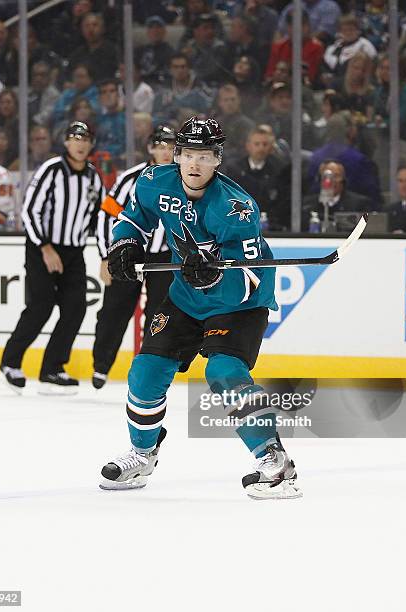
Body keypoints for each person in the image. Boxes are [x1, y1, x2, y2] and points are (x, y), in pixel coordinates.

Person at [99, 117, 302, 501]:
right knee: (145, 372)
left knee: (224, 371)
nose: (194, 164)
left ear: (218, 159)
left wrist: (211, 273)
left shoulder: (236, 208)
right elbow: (132, 220)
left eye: (204, 156)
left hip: (240, 303)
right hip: (185, 298)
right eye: (188, 154)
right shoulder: (154, 182)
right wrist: (125, 245)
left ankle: (275, 462)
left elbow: (249, 280)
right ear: (176, 155)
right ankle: (142, 455)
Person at [0, 122, 106, 394]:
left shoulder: (94, 177)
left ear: (91, 144)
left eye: (86, 138)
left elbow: (100, 215)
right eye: (75, 138)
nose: (80, 143)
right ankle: (9, 364)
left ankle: (52, 369)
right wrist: (46, 248)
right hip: (42, 248)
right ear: (66, 142)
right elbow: (29, 211)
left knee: (75, 308)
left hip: (74, 252)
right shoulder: (51, 170)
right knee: (41, 306)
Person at [92, 125, 176, 390]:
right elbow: (107, 215)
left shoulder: (183, 178)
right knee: (114, 311)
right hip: (130, 252)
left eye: (171, 147)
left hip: (166, 257)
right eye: (161, 146)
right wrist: (107, 254)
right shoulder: (131, 178)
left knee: (159, 315)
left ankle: (149, 368)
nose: (166, 152)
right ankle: (101, 366)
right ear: (150, 148)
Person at [226, 126, 291, 230]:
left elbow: (283, 204)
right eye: (257, 144)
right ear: (248, 146)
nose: (261, 148)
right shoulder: (235, 169)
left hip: (272, 227)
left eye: (265, 144)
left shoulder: (280, 169)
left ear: (271, 148)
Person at [302, 160, 373, 230]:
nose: (331, 180)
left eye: (336, 176)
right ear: (319, 179)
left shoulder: (359, 204)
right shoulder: (307, 205)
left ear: (343, 180)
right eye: (326, 176)